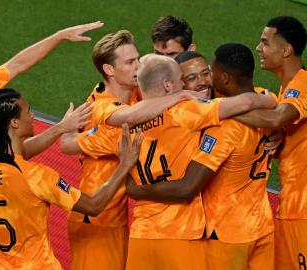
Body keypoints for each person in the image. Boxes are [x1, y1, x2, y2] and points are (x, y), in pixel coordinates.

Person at [65, 54, 277, 270]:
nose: (184, 85)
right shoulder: (185, 111)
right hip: (182, 233)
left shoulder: (121, 129)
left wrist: (68, 129)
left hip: (142, 235)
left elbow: (69, 145)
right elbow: (246, 101)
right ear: (167, 85)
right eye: (180, 80)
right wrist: (270, 98)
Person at [0, 21, 102, 269]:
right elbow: (16, 152)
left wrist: (58, 35)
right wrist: (60, 128)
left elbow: (16, 64)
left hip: (6, 200)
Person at [0, 88, 142, 269]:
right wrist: (124, 165)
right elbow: (94, 206)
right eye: (28, 111)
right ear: (14, 123)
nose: (32, 115)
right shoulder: (37, 176)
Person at [61, 29, 206, 270]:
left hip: (115, 218)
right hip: (97, 220)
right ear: (109, 70)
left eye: (137, 59)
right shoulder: (106, 113)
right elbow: (71, 144)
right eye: (130, 62)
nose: (137, 66)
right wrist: (181, 95)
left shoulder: (131, 93)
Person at [126, 43, 277, 270]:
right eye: (190, 78)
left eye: (206, 73)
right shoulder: (265, 100)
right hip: (258, 225)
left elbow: (187, 187)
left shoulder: (216, 124)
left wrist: (134, 188)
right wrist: (279, 129)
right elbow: (263, 102)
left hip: (225, 231)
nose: (202, 82)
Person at [234, 16, 307, 270]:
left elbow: (277, 118)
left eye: (265, 42)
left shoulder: (306, 82)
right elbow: (305, 138)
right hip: (293, 208)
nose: (258, 48)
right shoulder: (287, 90)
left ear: (286, 50)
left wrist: (221, 109)